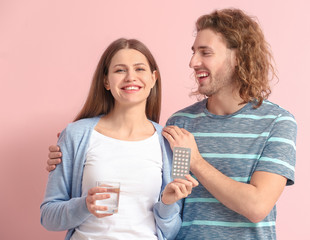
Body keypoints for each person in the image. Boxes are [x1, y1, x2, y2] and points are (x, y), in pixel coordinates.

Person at [47, 8, 297, 240]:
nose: (193, 62)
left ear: (238, 58)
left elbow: (257, 207)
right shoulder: (179, 125)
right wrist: (71, 148)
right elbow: (170, 201)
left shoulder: (277, 123)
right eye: (193, 51)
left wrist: (195, 162)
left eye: (205, 52)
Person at [40, 38, 198, 240]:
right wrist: (84, 205)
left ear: (153, 78)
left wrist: (167, 204)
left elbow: (172, 231)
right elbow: (48, 217)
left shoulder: (170, 143)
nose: (131, 77)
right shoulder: (75, 134)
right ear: (106, 81)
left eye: (139, 69)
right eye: (120, 70)